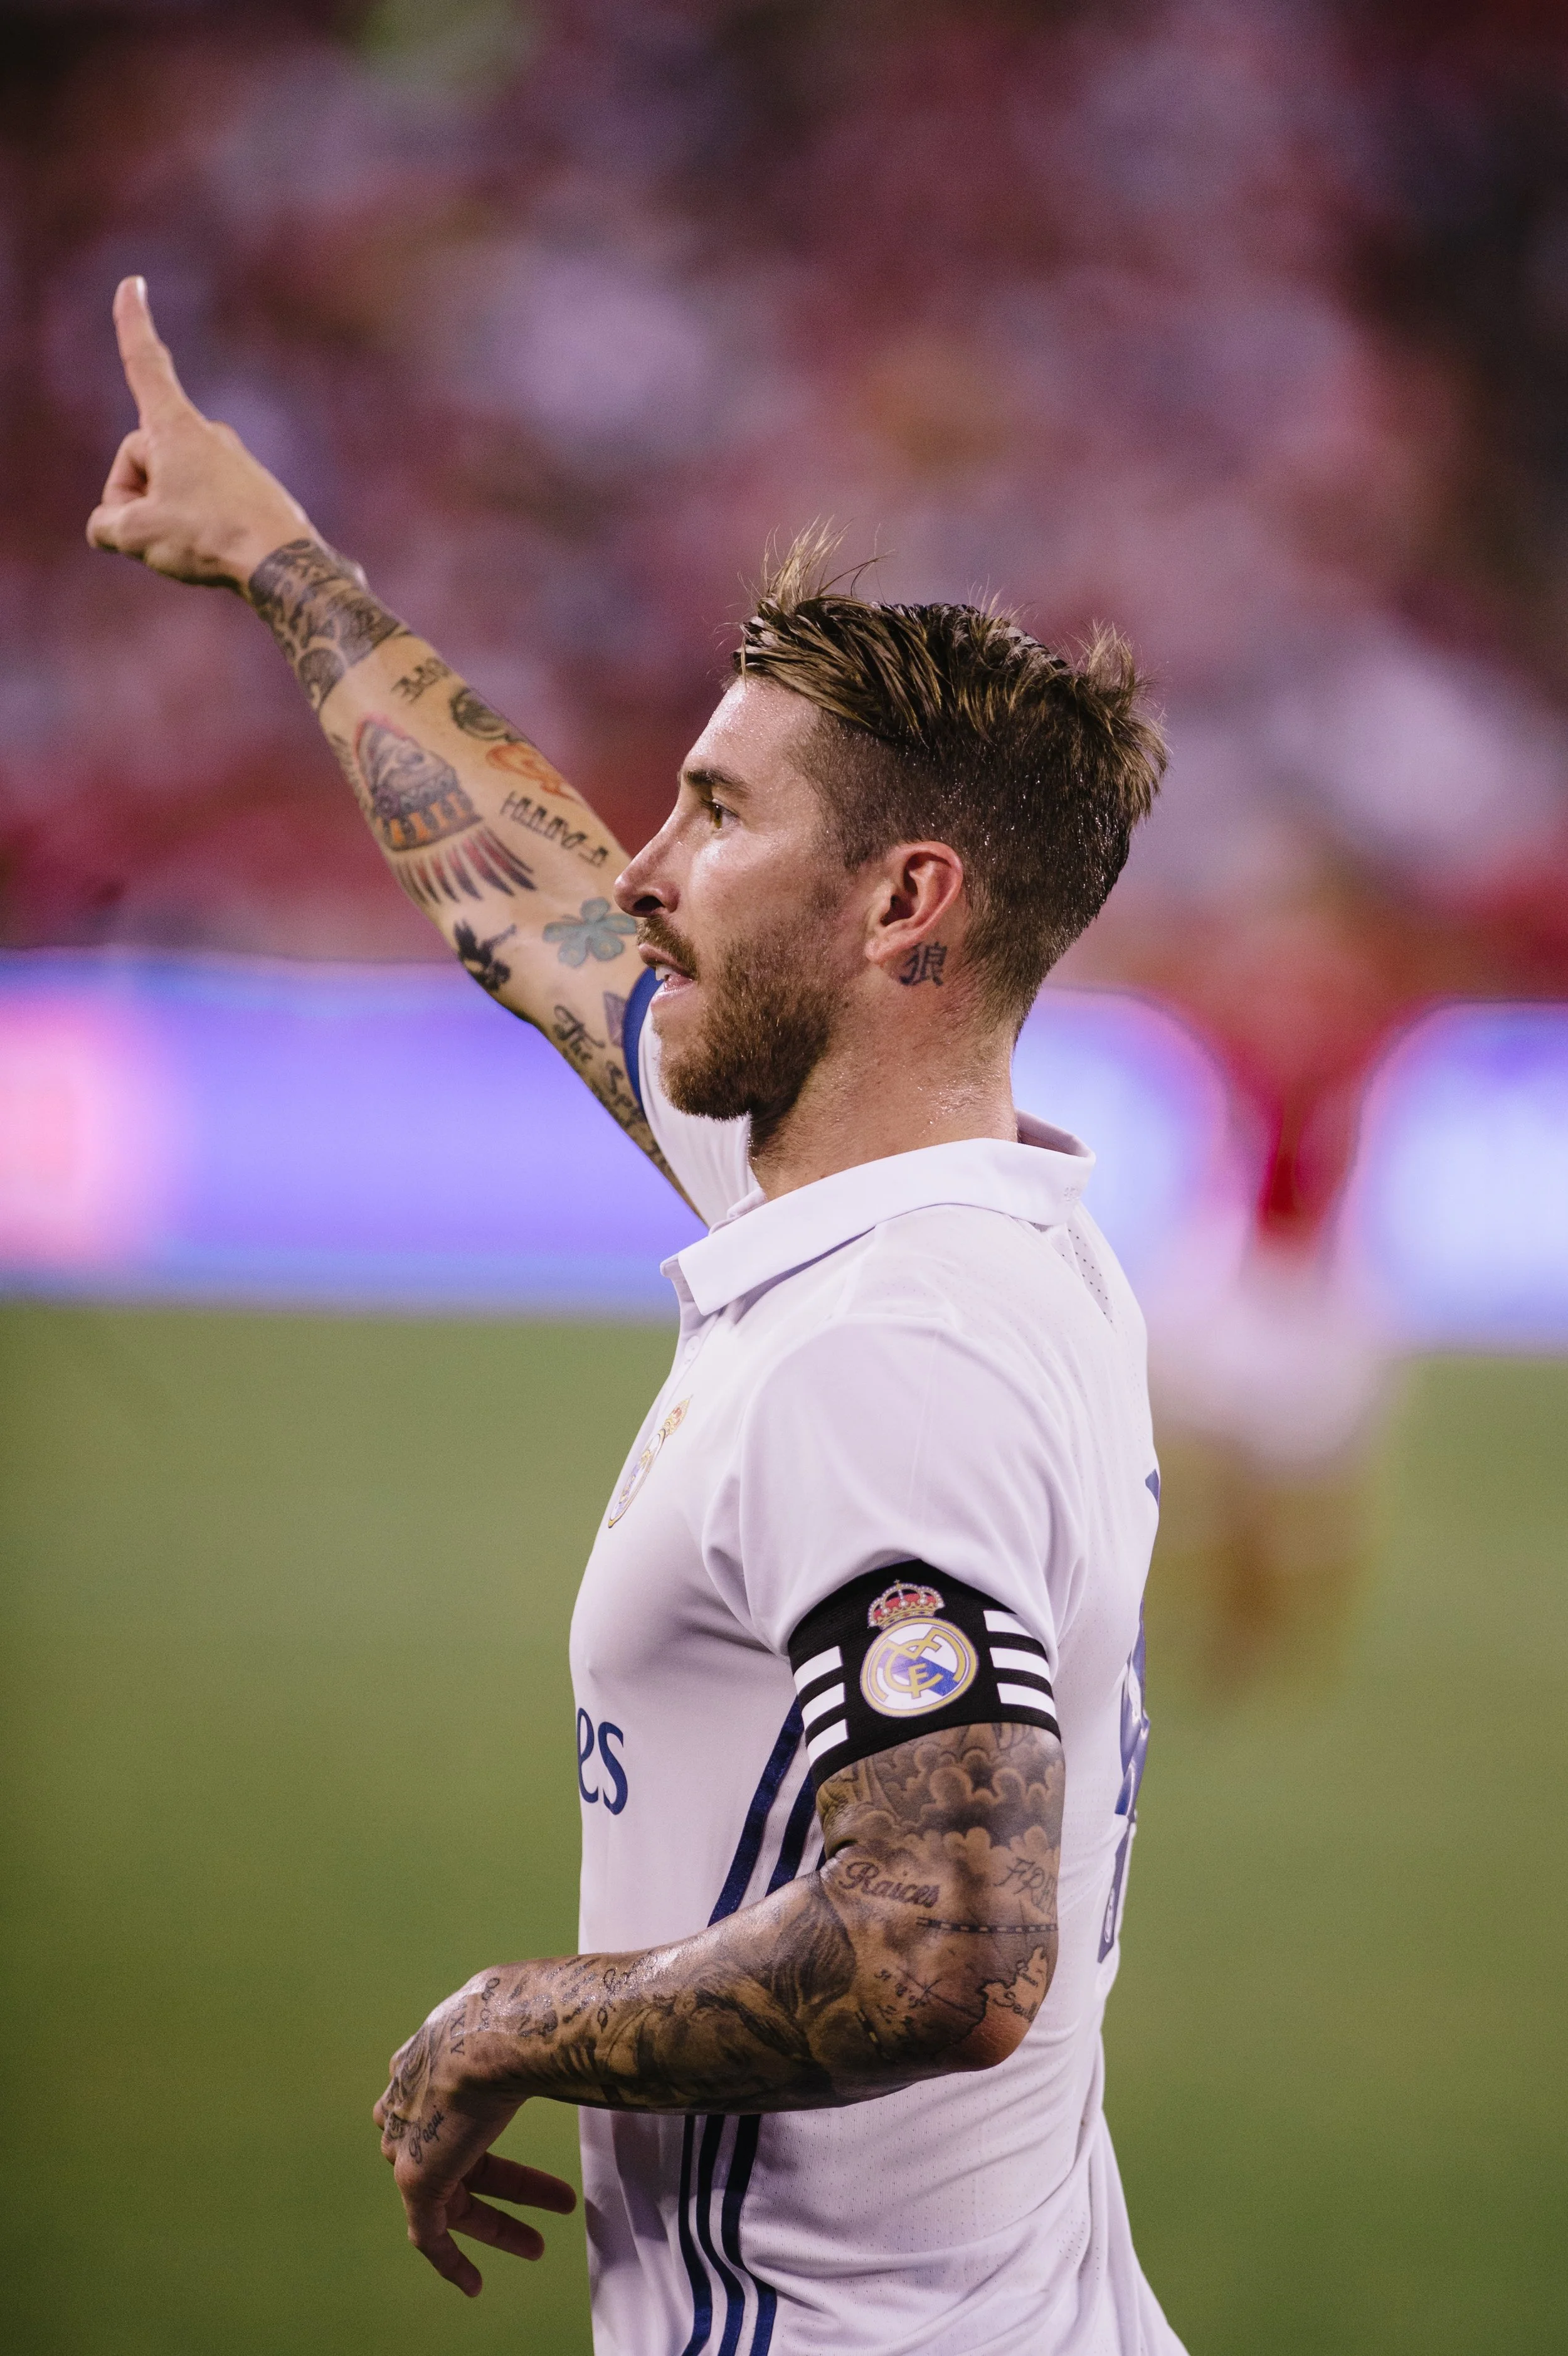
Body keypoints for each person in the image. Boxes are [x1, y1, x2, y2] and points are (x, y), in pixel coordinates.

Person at [89, 275, 1182, 2356]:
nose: (648, 867)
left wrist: (518, 2019)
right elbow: (537, 909)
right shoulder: (932, 1206)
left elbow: (947, 1942)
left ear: (902, 904)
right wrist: (274, 559)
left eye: (718, 811)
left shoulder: (886, 1343)